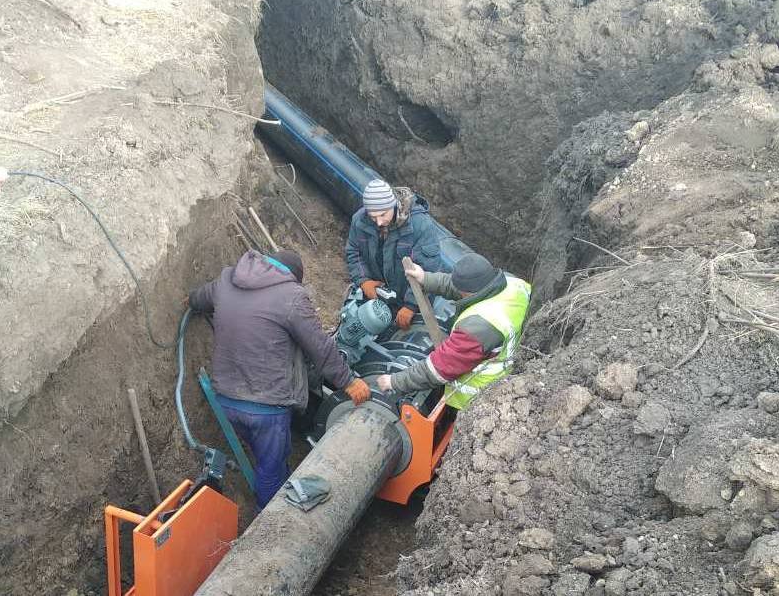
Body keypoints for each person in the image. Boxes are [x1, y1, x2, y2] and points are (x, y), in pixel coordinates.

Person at [187, 249, 371, 509]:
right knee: (269, 469)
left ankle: (281, 492)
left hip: (226, 401)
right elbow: (320, 347)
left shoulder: (227, 279)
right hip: (267, 409)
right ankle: (270, 526)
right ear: (292, 277)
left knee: (267, 459)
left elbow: (197, 299)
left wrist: (192, 300)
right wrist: (349, 381)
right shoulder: (292, 297)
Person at [375, 253, 531, 410]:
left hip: (481, 399)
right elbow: (459, 287)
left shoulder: (479, 326)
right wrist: (425, 278)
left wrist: (394, 382)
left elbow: (439, 368)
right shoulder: (513, 284)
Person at [345, 179, 445, 330]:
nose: (378, 222)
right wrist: (363, 280)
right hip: (377, 295)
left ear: (393, 205)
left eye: (383, 215)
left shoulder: (420, 226)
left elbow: (428, 269)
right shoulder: (360, 220)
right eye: (373, 217)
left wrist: (412, 305)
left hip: (406, 301)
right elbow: (353, 251)